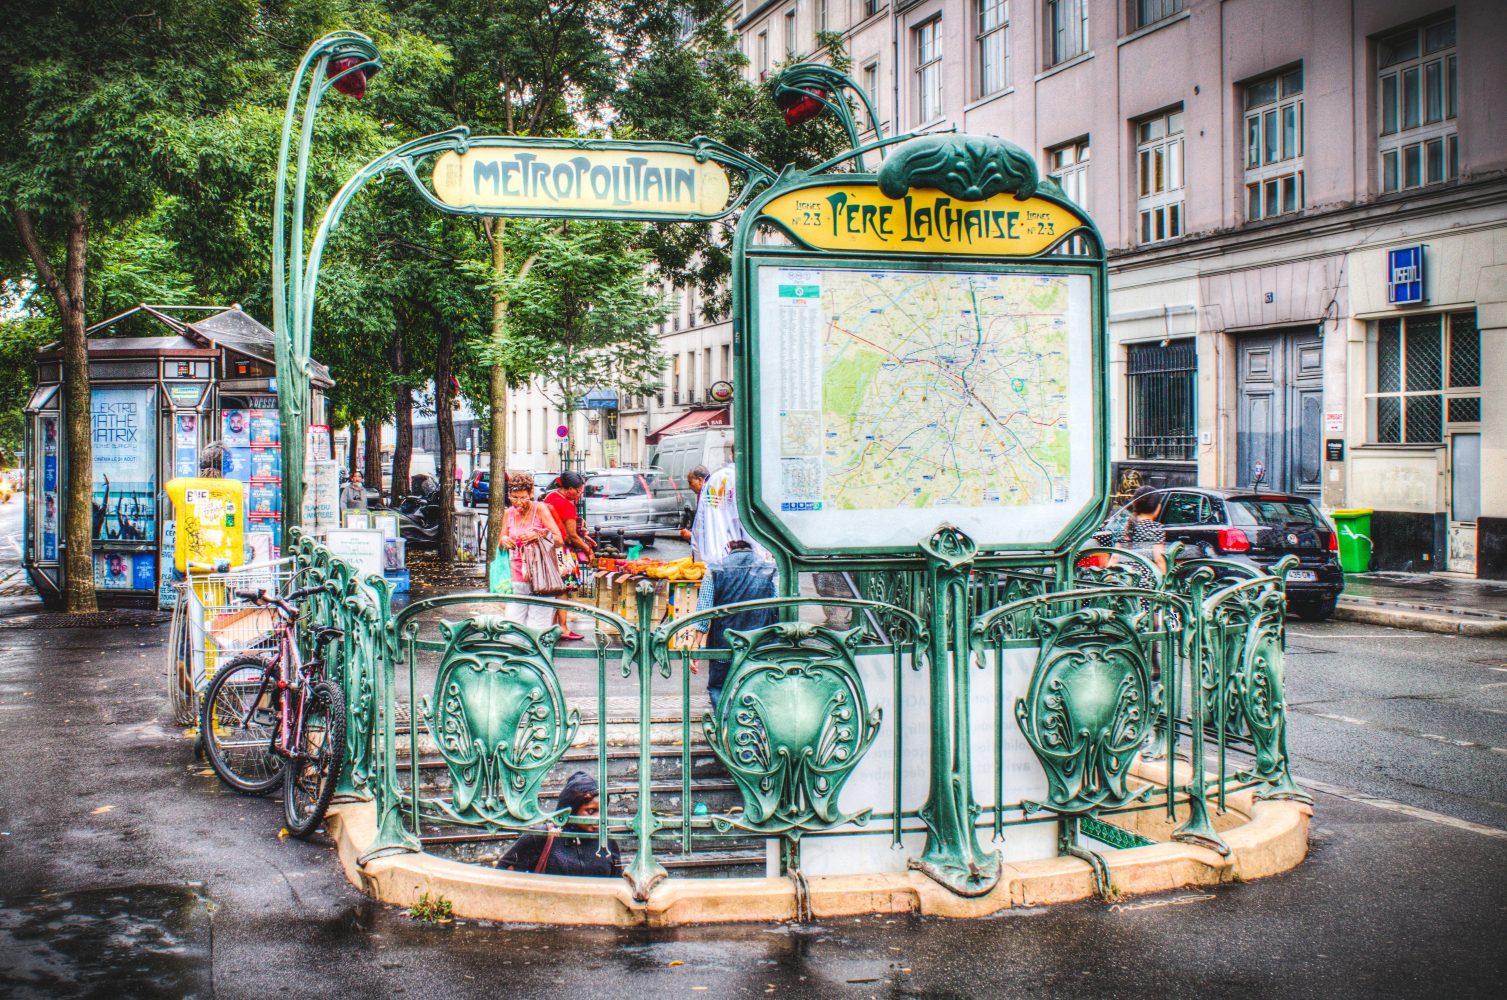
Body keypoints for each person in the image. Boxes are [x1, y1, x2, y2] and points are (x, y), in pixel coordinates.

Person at [683, 539, 777, 709]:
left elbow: (704, 610)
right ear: (751, 550)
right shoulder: (769, 569)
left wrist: (696, 645)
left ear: (729, 550)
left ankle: (724, 727)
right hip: (759, 644)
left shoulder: (715, 569)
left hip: (724, 644)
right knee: (756, 686)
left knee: (719, 687)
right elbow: (779, 606)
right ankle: (751, 725)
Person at [495, 771, 621, 877]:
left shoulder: (607, 842)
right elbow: (504, 875)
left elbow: (617, 883)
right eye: (591, 811)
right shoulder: (542, 836)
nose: (598, 819)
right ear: (571, 809)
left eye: (602, 812)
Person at [498, 471, 566, 632]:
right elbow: (501, 541)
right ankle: (516, 656)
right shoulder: (508, 513)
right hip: (517, 578)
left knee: (537, 629)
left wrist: (538, 535)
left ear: (531, 493)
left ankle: (534, 656)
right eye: (514, 497)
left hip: (541, 578)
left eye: (523, 497)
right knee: (511, 627)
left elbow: (558, 539)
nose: (518, 502)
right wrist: (503, 541)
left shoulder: (540, 509)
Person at [542, 472, 594, 641]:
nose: (579, 494)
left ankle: (553, 626)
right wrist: (587, 549)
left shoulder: (550, 497)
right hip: (561, 551)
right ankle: (563, 627)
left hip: (547, 547)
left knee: (555, 588)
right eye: (578, 491)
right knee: (563, 589)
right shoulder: (567, 505)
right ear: (570, 489)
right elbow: (571, 536)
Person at [677, 465, 710, 551]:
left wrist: (692, 536)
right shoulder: (702, 494)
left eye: (690, 482)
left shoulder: (709, 496)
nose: (689, 486)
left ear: (700, 480)